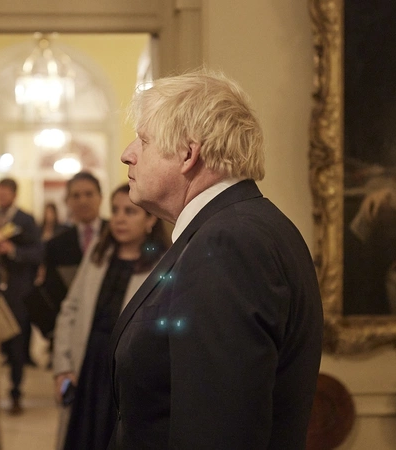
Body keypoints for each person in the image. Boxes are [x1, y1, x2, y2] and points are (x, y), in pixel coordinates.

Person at [109, 69, 324, 449]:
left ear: (188, 154)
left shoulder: (229, 243)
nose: (128, 154)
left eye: (143, 140)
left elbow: (219, 428)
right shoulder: (238, 228)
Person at [53, 184, 170, 450]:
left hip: (125, 373)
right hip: (87, 362)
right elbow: (70, 309)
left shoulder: (162, 264)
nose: (118, 218)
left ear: (150, 219)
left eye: (130, 212)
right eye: (115, 210)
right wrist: (62, 367)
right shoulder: (99, 252)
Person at [0, 177, 42, 414]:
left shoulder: (25, 220)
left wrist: (13, 250)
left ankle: (16, 392)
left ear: (14, 194)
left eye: (5, 193)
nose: (1, 197)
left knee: (17, 345)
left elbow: (38, 253)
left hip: (18, 291)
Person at [41, 171, 107, 324]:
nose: (83, 201)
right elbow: (53, 291)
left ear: (100, 197)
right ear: (68, 201)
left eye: (89, 194)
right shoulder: (56, 244)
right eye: (76, 196)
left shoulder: (116, 234)